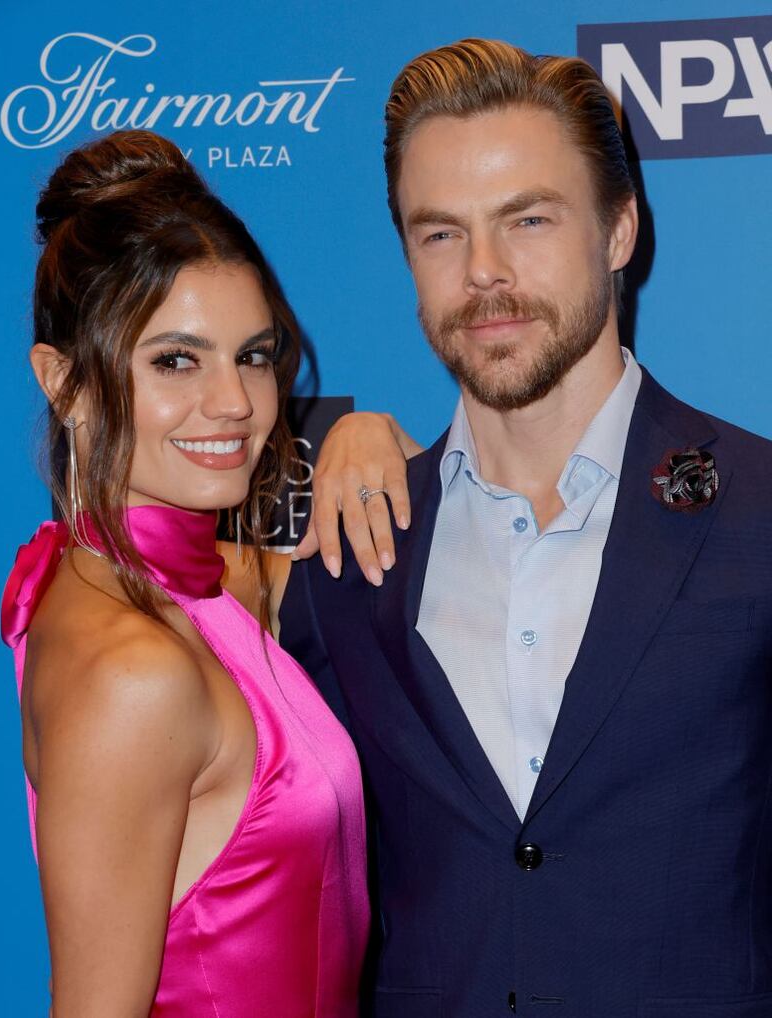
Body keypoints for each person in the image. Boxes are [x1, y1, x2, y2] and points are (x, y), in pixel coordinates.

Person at [281, 38, 772, 1018]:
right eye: (439, 234)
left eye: (528, 219)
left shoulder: (757, 509)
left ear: (620, 228)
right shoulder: (344, 555)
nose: (484, 274)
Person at [1, 128, 416, 1017]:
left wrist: (364, 436)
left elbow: (316, 569)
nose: (233, 403)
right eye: (176, 360)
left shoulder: (171, 580)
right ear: (65, 384)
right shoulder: (134, 672)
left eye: (254, 355)